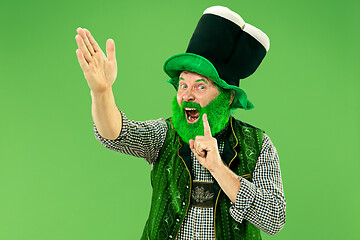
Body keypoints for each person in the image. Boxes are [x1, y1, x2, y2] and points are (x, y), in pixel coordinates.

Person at [75, 6, 286, 240]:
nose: (187, 95)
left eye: (201, 86)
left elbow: (274, 219)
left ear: (229, 97)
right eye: (183, 85)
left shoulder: (258, 145)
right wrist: (102, 91)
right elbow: (115, 134)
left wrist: (218, 168)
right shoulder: (164, 134)